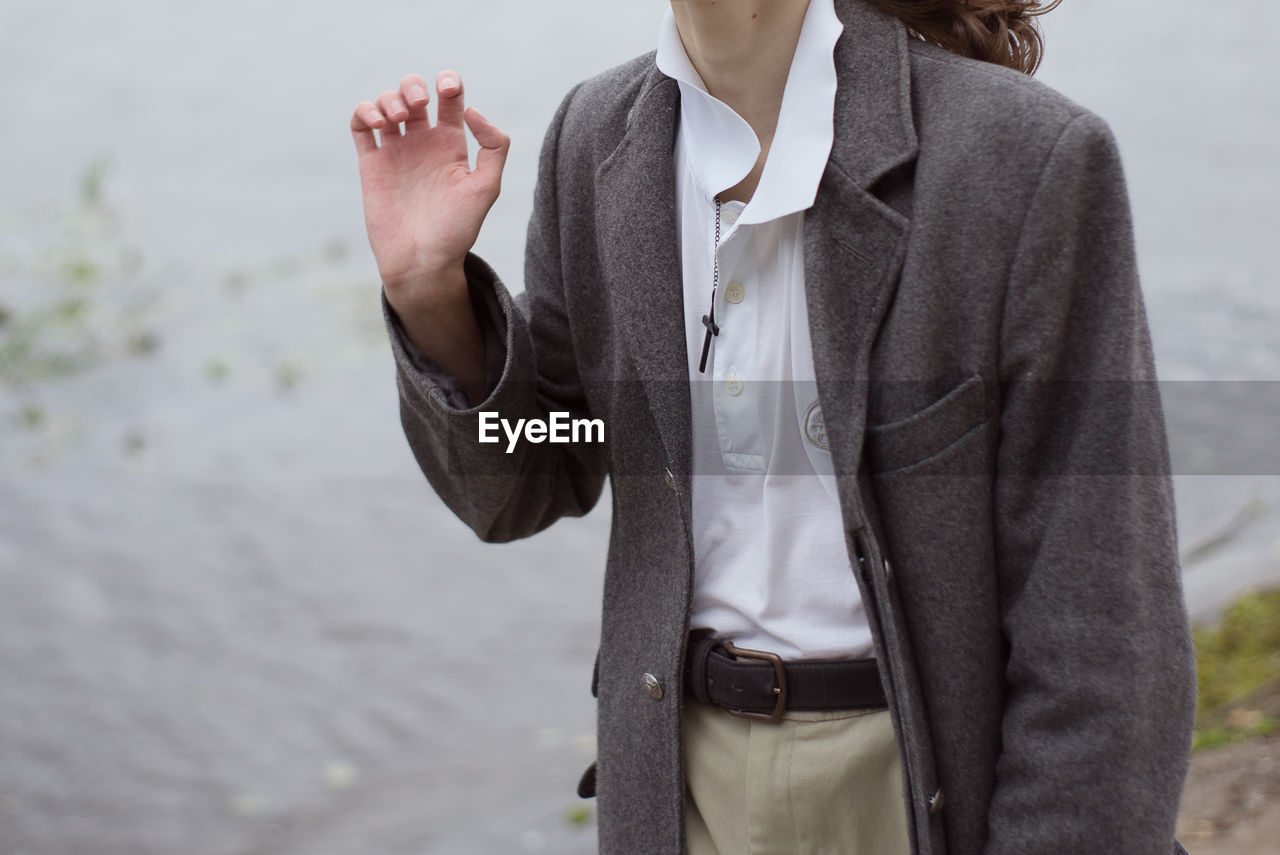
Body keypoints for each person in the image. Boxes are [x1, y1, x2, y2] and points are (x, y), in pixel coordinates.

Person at [348, 0, 1196, 852]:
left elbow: (1104, 634)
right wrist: (432, 295)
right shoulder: (595, 137)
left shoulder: (1025, 157)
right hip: (680, 790)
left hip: (922, 786)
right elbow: (533, 476)